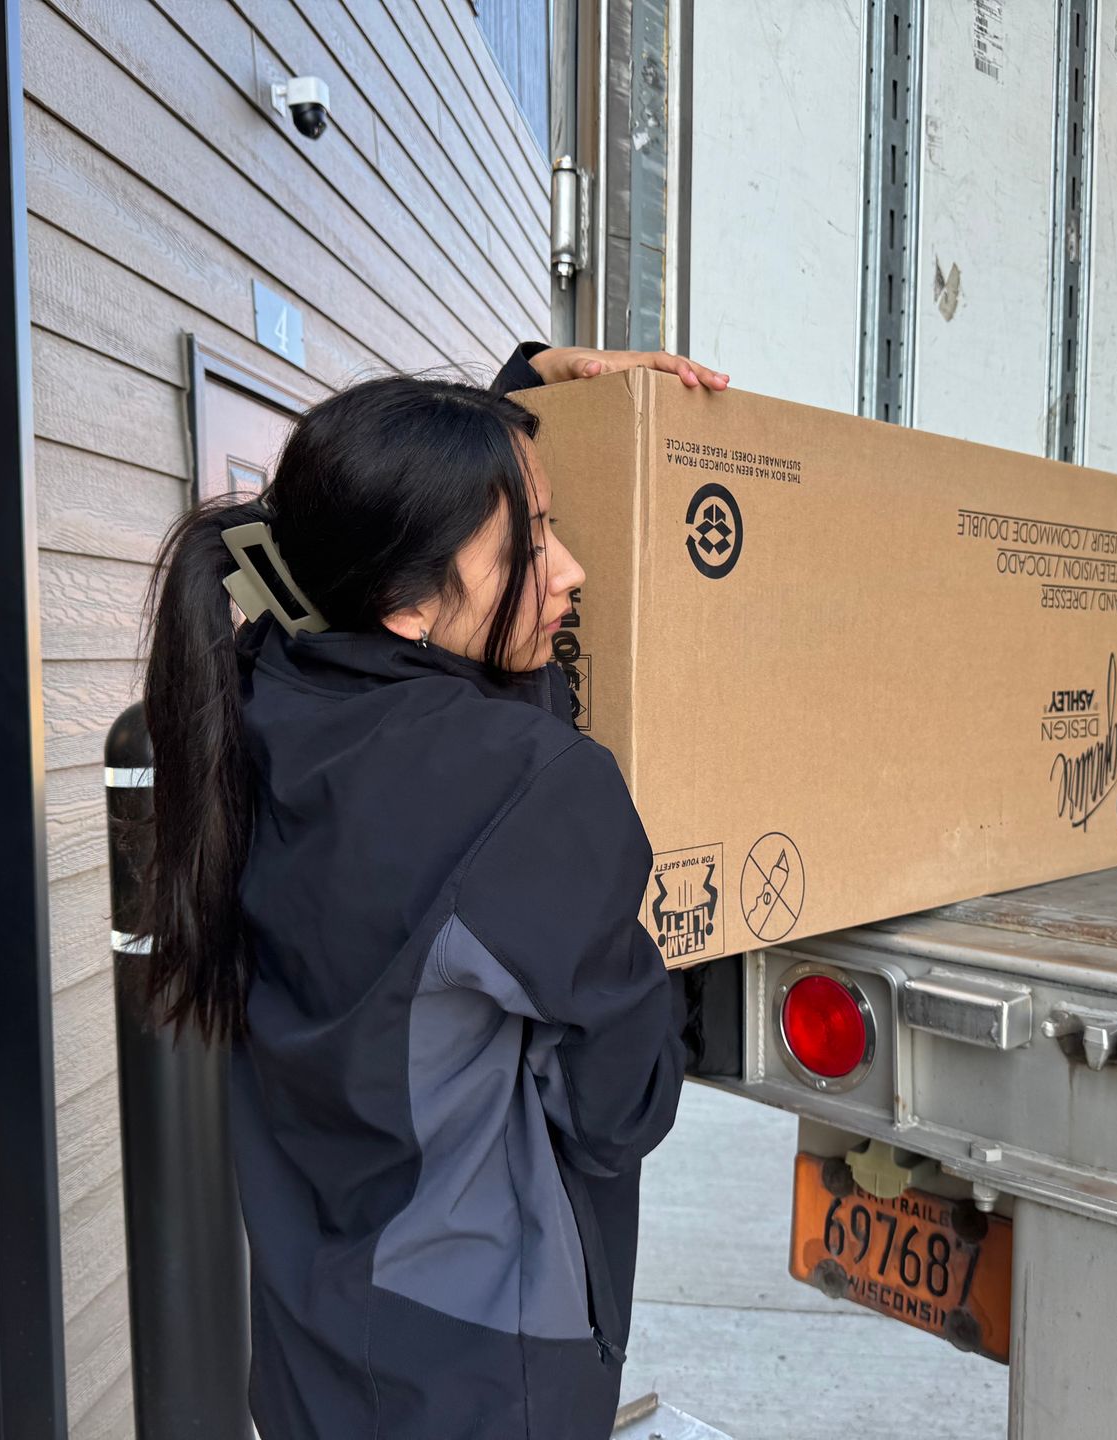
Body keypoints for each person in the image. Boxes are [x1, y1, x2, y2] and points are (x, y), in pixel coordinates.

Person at [140, 343, 732, 1439]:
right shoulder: (532, 789)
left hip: (321, 1328)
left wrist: (519, 384)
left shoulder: (269, 693)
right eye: (536, 538)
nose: (573, 571)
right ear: (404, 600)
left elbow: (435, 625)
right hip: (480, 1361)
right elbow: (623, 1109)